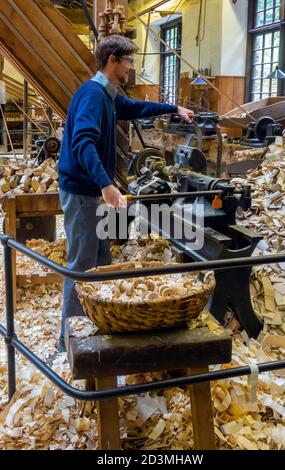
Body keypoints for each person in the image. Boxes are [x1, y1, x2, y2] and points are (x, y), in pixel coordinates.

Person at [57, 35, 194, 352]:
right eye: (130, 62)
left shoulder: (109, 94)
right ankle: (68, 345)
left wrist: (173, 107)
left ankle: (100, 324)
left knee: (102, 259)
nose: (132, 68)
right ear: (113, 60)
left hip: (93, 189)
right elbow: (83, 142)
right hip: (83, 191)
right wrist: (106, 185)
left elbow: (135, 107)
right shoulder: (93, 94)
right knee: (81, 265)